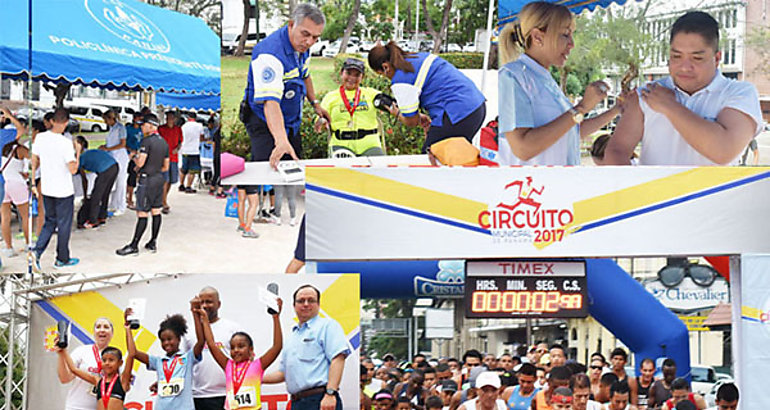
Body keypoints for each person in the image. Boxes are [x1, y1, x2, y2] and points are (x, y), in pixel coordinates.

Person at [605, 11, 763, 165]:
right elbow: (617, 151)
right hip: (656, 191)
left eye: (697, 58)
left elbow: (723, 151)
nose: (685, 67)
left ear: (717, 58)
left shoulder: (739, 93)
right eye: (676, 56)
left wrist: (669, 106)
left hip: (718, 192)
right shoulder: (647, 93)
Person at [497, 1, 621, 165]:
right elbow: (522, 148)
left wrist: (616, 110)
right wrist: (581, 108)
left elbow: (569, 133)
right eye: (565, 34)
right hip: (533, 188)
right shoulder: (512, 77)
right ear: (538, 37)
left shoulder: (545, 79)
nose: (572, 44)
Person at [368, 42, 487, 166]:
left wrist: (396, 113)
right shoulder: (418, 57)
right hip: (476, 106)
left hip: (457, 113)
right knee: (458, 159)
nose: (387, 79)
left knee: (429, 159)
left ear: (385, 67)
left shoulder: (401, 78)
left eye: (382, 75)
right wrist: (423, 118)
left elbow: (411, 122)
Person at [243, 3, 329, 170]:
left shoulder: (303, 46)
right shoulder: (269, 54)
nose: (310, 42)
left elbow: (305, 75)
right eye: (306, 34)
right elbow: (270, 103)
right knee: (266, 173)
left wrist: (315, 104)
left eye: (315, 37)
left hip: (291, 122)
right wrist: (281, 140)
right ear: (291, 25)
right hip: (265, 122)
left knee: (293, 170)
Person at [263, 284, 350, 410]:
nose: (305, 304)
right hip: (297, 403)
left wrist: (330, 393)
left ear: (318, 304)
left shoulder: (327, 326)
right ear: (294, 306)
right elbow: (283, 373)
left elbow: (338, 359)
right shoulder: (292, 336)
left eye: (311, 300)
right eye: (300, 301)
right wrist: (254, 377)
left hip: (320, 400)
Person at [194, 292, 282, 410]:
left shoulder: (258, 365)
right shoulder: (228, 365)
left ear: (250, 349)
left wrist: (276, 318)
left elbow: (277, 346)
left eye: (241, 346)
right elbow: (211, 344)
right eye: (232, 347)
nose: (236, 350)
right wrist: (205, 320)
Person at [30, 107, 81, 269]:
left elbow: (34, 160)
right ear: (66, 123)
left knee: (49, 222)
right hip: (64, 190)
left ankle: (37, 252)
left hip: (47, 188)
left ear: (52, 121)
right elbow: (73, 170)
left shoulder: (40, 138)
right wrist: (78, 152)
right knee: (64, 224)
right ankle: (62, 259)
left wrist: (32, 182)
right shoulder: (65, 143)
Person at [126, 309, 204, 410]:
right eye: (163, 340)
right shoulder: (158, 361)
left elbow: (201, 341)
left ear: (178, 339)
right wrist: (127, 329)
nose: (166, 343)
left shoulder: (188, 358)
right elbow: (133, 352)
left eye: (169, 339)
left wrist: (196, 314)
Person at [116, 113, 169, 256]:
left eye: (143, 125)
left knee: (142, 212)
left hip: (147, 180)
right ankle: (153, 242)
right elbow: (166, 167)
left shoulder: (146, 142)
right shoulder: (164, 142)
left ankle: (134, 245)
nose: (142, 128)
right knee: (156, 210)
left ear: (150, 126)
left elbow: (141, 162)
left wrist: (133, 156)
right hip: (159, 178)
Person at [58, 319, 135, 410]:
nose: (107, 363)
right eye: (98, 327)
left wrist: (128, 329)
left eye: (106, 327)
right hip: (76, 407)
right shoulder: (97, 379)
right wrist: (62, 351)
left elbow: (132, 354)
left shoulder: (121, 374)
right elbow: (72, 370)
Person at [315, 57, 386, 157]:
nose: (352, 78)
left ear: (363, 77)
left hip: (370, 145)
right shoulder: (330, 97)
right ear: (341, 73)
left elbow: (392, 106)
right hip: (341, 144)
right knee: (344, 169)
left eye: (357, 75)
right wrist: (322, 122)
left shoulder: (371, 94)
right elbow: (320, 118)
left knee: (378, 169)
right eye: (348, 73)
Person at [190, 287, 243, 410]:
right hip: (198, 396)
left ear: (218, 304)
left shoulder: (233, 328)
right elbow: (183, 363)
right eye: (201, 302)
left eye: (209, 302)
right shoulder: (189, 332)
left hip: (227, 394)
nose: (204, 306)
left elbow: (245, 361)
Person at [75, 136, 118, 230]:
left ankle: (93, 220)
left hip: (105, 169)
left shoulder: (81, 158)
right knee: (105, 194)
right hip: (114, 166)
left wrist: (86, 196)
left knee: (96, 196)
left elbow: (84, 180)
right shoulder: (89, 153)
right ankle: (102, 216)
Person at [1, 140, 30, 257]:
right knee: (25, 216)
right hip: (16, 183)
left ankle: (8, 248)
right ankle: (29, 244)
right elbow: (33, 159)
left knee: (5, 218)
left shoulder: (4, 148)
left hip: (3, 183)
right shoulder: (20, 149)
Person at [100, 110, 129, 215]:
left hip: (120, 156)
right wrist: (105, 147)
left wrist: (108, 149)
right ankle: (113, 204)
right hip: (113, 156)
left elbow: (122, 144)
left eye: (106, 119)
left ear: (111, 118)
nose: (105, 122)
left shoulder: (120, 128)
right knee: (112, 181)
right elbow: (111, 143)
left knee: (121, 182)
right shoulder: (112, 128)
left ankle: (121, 206)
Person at [158, 111, 182, 213]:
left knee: (171, 180)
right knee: (165, 180)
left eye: (172, 118)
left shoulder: (178, 129)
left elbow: (180, 142)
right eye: (168, 118)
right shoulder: (161, 129)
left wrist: (177, 148)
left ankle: (163, 198)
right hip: (163, 158)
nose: (170, 120)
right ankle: (164, 202)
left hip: (174, 158)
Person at [178, 113, 205, 193]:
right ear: (195, 118)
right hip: (194, 151)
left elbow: (180, 137)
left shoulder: (183, 126)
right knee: (192, 170)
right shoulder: (199, 126)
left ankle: (181, 185)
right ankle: (188, 186)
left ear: (188, 118)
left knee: (183, 169)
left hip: (184, 150)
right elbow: (202, 137)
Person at [126, 112, 144, 209]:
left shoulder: (142, 130)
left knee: (137, 176)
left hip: (140, 155)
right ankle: (129, 199)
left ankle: (130, 195)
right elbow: (124, 142)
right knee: (132, 176)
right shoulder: (128, 129)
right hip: (131, 155)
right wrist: (130, 150)